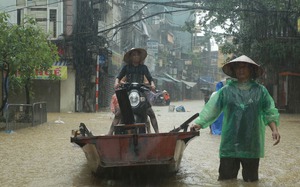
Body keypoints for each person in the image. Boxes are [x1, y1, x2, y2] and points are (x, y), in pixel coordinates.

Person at [191, 55, 281, 182]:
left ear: (251, 70)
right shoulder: (226, 91)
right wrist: (199, 123)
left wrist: (274, 130)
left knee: (251, 181)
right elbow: (212, 109)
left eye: (244, 67)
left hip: (251, 143)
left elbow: (269, 111)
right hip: (230, 144)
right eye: (237, 67)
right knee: (226, 181)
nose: (240, 70)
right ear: (234, 71)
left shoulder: (261, 91)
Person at [113, 48, 159, 133]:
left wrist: (152, 84)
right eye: (134, 55)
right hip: (128, 91)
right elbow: (118, 77)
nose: (136, 56)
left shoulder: (143, 68)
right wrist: (116, 83)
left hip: (140, 92)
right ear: (130, 57)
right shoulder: (126, 68)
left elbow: (150, 78)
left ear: (140, 57)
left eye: (137, 55)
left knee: (151, 113)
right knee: (118, 113)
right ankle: (109, 133)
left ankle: (157, 133)